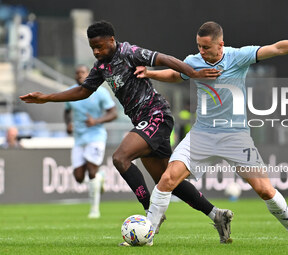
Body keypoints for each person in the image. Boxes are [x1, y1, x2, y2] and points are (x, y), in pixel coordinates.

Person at [20, 21, 233, 245]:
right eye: (93, 47)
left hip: (156, 115)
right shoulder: (101, 66)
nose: (96, 51)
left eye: (100, 46)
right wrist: (46, 97)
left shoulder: (129, 52)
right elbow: (84, 90)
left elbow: (165, 59)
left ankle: (150, 219)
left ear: (112, 40)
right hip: (143, 121)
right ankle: (217, 215)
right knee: (167, 181)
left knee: (120, 158)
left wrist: (193, 73)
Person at [137, 21, 288, 246]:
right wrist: (150, 74)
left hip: (235, 136)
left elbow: (277, 48)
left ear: (221, 45)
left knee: (265, 190)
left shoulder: (238, 57)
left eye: (206, 47)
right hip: (202, 134)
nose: (201, 51)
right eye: (199, 46)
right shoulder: (193, 61)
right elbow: (176, 75)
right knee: (167, 179)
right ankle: (147, 237)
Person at [64, 65, 118, 219]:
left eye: (83, 73)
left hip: (96, 135)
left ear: (89, 75)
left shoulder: (100, 92)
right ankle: (100, 176)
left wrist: (97, 121)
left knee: (91, 170)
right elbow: (67, 111)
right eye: (77, 73)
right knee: (79, 177)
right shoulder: (71, 92)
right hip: (79, 138)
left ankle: (94, 210)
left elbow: (113, 113)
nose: (79, 75)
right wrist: (67, 124)